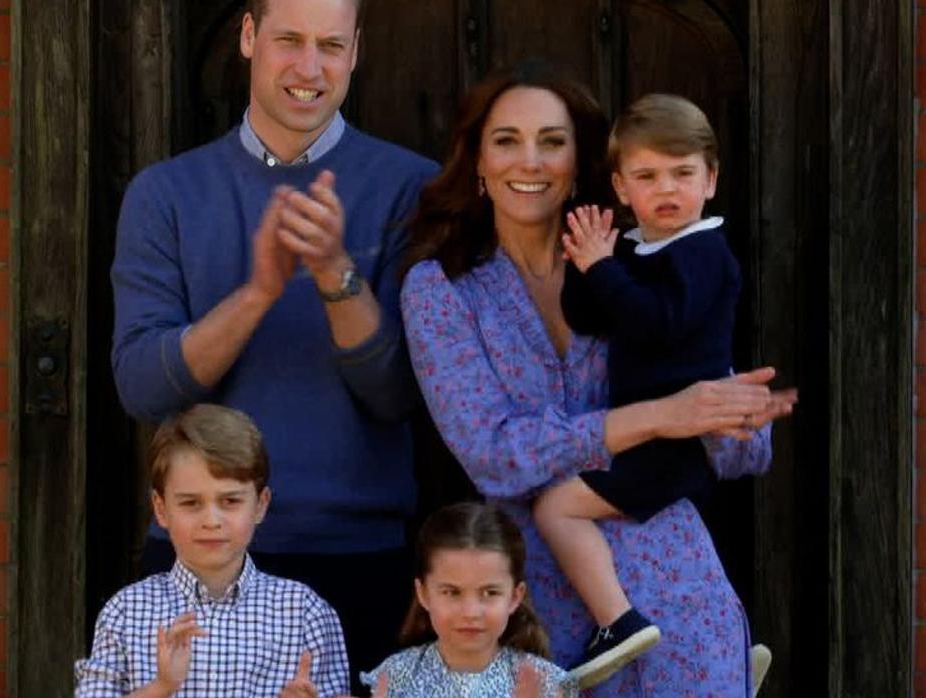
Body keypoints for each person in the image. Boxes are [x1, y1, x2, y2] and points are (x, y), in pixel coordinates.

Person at [399, 62, 794, 696]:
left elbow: (740, 446)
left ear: (580, 162)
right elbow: (493, 455)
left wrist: (737, 419)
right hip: (536, 605)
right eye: (506, 140)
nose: (530, 160)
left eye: (552, 141)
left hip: (677, 590)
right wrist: (658, 417)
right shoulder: (442, 291)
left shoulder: (641, 262)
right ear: (477, 160)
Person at [109, 0, 437, 689]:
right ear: (249, 37)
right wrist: (257, 291)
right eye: (289, 40)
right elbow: (143, 388)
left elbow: (399, 395)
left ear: (356, 52)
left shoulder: (411, 188)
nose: (309, 68)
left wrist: (333, 275)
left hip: (359, 556)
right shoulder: (165, 194)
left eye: (330, 45)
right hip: (196, 562)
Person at [532, 94, 747, 687]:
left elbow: (660, 323)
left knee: (556, 507)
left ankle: (618, 622)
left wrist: (605, 268)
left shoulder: (704, 251)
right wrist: (587, 262)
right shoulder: (637, 248)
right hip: (646, 434)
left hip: (673, 444)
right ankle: (721, 659)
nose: (667, 189)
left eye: (683, 173)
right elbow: (588, 316)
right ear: (622, 189)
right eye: (647, 176)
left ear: (711, 179)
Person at [74, 404, 350, 697]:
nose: (211, 521)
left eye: (230, 501)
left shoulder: (305, 614)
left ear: (260, 504)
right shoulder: (126, 612)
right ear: (161, 509)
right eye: (191, 503)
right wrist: (162, 687)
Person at [361, 502, 575, 698]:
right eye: (452, 592)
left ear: (514, 596)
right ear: (423, 593)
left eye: (490, 593)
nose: (470, 612)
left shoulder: (545, 683)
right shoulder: (395, 677)